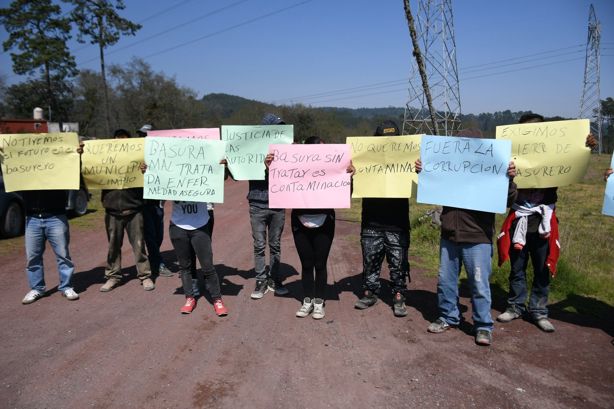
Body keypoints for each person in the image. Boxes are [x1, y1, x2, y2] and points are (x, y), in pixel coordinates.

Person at [496, 114, 598, 332]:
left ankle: (539, 310)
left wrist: (586, 146)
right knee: (517, 267)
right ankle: (515, 305)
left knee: (543, 268)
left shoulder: (554, 154)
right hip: (519, 219)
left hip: (544, 221)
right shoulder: (510, 156)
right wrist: (507, 175)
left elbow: (573, 158)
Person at [416, 157, 518, 346]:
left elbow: (508, 200)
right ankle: (448, 316)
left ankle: (483, 326)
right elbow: (431, 187)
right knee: (445, 281)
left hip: (478, 238)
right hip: (449, 237)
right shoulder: (449, 166)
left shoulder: (489, 168)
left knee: (479, 284)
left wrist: (508, 180)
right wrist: (424, 171)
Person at [270, 136, 344, 319]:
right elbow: (278, 182)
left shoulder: (331, 167)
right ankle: (307, 300)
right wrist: (270, 167)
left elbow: (344, 193)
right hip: (300, 220)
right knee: (306, 264)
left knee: (320, 263)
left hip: (325, 219)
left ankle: (319, 301)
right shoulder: (296, 166)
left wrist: (349, 175)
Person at [353, 120, 411, 317]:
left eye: (392, 139)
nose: (387, 142)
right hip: (371, 222)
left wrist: (420, 169)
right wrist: (351, 174)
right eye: (383, 139)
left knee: (398, 263)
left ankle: (398, 296)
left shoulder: (409, 158)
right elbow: (350, 188)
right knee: (370, 261)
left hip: (398, 223)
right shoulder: (364, 158)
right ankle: (369, 292)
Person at [17, 141, 84, 304]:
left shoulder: (57, 165)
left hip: (56, 216)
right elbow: (10, 170)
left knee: (63, 255)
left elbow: (73, 170)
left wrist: (77, 155)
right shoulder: (24, 165)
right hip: (32, 218)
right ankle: (37, 288)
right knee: (32, 257)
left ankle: (66, 286)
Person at [100, 129, 154, 292]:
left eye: (125, 141)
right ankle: (113, 276)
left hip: (134, 210)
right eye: (118, 141)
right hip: (112, 211)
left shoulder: (139, 161)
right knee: (113, 246)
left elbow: (151, 179)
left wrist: (145, 170)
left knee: (139, 245)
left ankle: (145, 276)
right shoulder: (103, 160)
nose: (121, 144)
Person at [247, 113, 289, 299]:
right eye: (275, 127)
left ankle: (275, 278)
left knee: (275, 244)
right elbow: (241, 170)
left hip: (279, 203)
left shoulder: (286, 150)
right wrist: (264, 165)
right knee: (259, 245)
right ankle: (260, 280)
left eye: (281, 127)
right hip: (257, 204)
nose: (279, 130)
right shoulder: (251, 149)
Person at [169, 200, 228, 316]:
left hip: (200, 225)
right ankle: (190, 297)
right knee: (184, 266)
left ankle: (217, 299)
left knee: (207, 266)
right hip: (178, 225)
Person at [137, 124, 172, 278]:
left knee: (158, 234)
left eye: (147, 135)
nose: (144, 138)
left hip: (158, 201)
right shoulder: (135, 154)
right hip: (142, 202)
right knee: (150, 234)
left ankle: (154, 259)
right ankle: (157, 263)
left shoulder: (162, 153)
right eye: (142, 135)